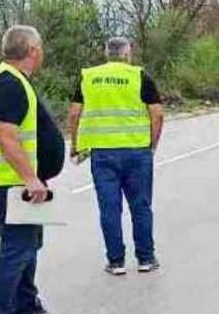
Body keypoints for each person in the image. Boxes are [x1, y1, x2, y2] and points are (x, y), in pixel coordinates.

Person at [0, 26, 61, 314]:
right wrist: (30, 178)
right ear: (33, 51)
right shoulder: (7, 83)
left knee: (29, 243)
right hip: (6, 181)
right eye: (41, 48)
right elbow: (6, 136)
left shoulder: (13, 79)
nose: (42, 53)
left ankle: (25, 302)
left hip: (14, 179)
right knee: (18, 247)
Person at [68, 37, 164, 276]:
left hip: (103, 154)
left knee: (109, 209)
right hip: (136, 152)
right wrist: (151, 145)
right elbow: (157, 114)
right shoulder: (140, 76)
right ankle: (146, 258)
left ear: (106, 53)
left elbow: (74, 114)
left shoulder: (89, 77)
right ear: (127, 53)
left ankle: (116, 261)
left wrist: (76, 145)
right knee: (141, 206)